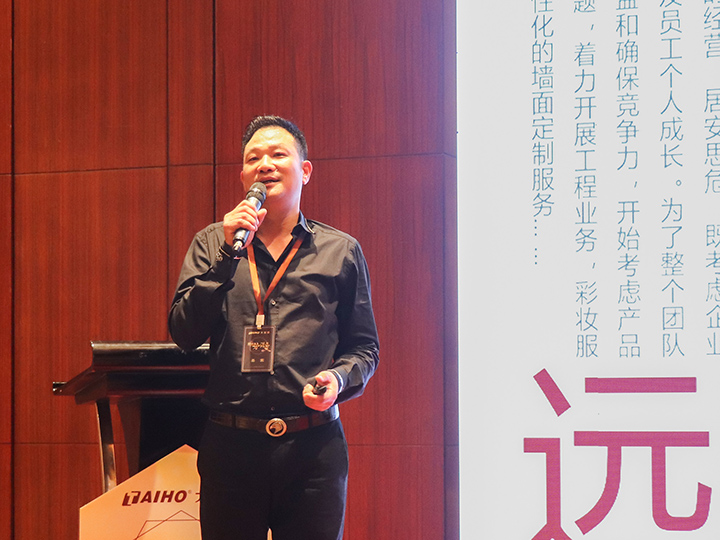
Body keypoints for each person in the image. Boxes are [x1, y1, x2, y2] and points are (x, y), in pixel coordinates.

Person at [168, 115, 380, 540]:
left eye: (278, 154)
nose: (264, 164)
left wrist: (338, 379)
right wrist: (227, 255)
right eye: (253, 158)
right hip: (230, 447)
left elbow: (364, 348)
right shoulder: (212, 243)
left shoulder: (340, 251)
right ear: (243, 176)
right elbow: (184, 333)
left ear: (305, 170)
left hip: (313, 449)